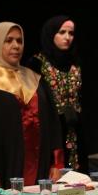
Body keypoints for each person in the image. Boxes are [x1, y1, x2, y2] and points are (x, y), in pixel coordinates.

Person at [0, 22, 64, 187]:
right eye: (8, 40)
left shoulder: (35, 78)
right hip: (2, 168)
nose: (16, 46)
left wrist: (56, 162)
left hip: (40, 168)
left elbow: (53, 123)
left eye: (19, 41)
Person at [30, 16, 84, 170]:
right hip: (49, 130)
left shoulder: (75, 63)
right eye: (62, 32)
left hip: (74, 130)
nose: (67, 37)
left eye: (71, 33)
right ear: (51, 34)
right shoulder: (37, 64)